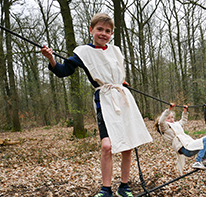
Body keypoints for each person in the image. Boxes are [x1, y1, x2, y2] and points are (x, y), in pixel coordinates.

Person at [41, 13, 153, 197]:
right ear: (91, 30)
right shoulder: (83, 52)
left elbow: (116, 73)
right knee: (107, 146)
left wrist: (121, 82)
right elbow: (63, 71)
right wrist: (51, 58)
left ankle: (124, 187)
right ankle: (106, 189)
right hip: (105, 101)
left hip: (123, 99)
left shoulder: (115, 50)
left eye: (108, 31)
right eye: (100, 29)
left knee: (128, 146)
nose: (103, 33)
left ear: (111, 34)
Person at [153, 103, 206, 175]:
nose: (171, 119)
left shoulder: (176, 124)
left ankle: (204, 159)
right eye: (168, 118)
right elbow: (161, 121)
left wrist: (185, 112)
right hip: (185, 149)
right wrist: (169, 109)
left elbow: (183, 122)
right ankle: (197, 162)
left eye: (172, 117)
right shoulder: (164, 128)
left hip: (189, 144)